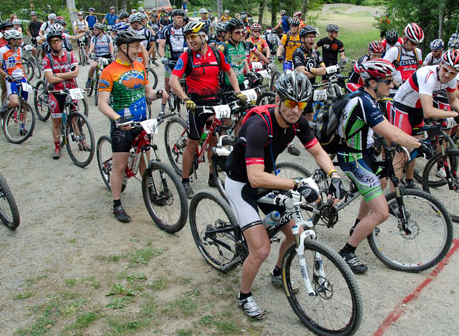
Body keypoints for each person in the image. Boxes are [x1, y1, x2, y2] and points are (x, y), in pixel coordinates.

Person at [224, 69, 346, 319]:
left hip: (266, 180)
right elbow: (254, 177)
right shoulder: (258, 125)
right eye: (290, 102)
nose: (295, 110)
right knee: (260, 249)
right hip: (241, 183)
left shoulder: (298, 121)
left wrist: (334, 175)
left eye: (301, 104)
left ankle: (279, 272)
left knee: (296, 230)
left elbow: (318, 152)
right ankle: (244, 296)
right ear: (277, 99)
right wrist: (296, 183)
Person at [336, 59, 428, 273]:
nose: (392, 85)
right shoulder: (364, 102)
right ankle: (347, 252)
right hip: (353, 158)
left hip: (364, 153)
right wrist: (419, 144)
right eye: (387, 81)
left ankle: (357, 225)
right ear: (371, 82)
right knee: (382, 213)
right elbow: (392, 133)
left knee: (383, 180)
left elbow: (385, 131)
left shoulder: (370, 97)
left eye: (391, 80)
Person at [97, 29, 169, 223]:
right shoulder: (109, 71)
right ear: (123, 47)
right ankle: (117, 204)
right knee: (119, 166)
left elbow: (148, 92)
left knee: (145, 160)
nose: (140, 50)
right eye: (136, 46)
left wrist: (158, 94)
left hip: (142, 122)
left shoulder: (138, 66)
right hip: (122, 126)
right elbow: (102, 103)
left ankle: (150, 191)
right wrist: (116, 118)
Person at [168, 21, 247, 197]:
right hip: (196, 104)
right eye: (187, 38)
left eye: (193, 37)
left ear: (203, 36)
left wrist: (238, 92)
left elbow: (230, 72)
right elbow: (173, 80)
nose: (190, 41)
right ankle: (185, 180)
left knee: (213, 138)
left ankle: (213, 175)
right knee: (192, 143)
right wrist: (185, 98)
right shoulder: (186, 57)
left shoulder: (217, 54)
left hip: (216, 101)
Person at [388, 50, 459, 187]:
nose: (447, 75)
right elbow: (429, 112)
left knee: (416, 144)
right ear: (440, 65)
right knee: (403, 151)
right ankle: (393, 195)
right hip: (403, 106)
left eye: (452, 73)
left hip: (417, 108)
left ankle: (409, 181)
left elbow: (453, 100)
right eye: (445, 70)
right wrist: (455, 115)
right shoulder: (427, 75)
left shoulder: (451, 79)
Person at [42, 28, 80, 159]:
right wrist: (66, 76)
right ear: (50, 44)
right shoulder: (47, 59)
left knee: (76, 116)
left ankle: (81, 139)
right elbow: (50, 79)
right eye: (53, 42)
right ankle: (57, 146)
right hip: (55, 91)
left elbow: (75, 73)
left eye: (58, 41)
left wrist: (58, 74)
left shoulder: (70, 55)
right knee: (57, 121)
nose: (56, 44)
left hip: (72, 89)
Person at [293, 25, 326, 122]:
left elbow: (324, 70)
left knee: (309, 116)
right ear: (302, 39)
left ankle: (308, 135)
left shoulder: (316, 53)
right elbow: (303, 73)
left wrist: (312, 70)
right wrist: (317, 71)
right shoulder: (298, 53)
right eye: (309, 37)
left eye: (313, 36)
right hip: (299, 89)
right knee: (297, 116)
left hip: (311, 87)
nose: (312, 39)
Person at [0, 30, 28, 124]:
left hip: (22, 78)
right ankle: (5, 106)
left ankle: (22, 124)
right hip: (11, 79)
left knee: (24, 103)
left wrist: (26, 78)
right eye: (19, 39)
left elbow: (21, 65)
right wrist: (7, 76)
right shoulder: (1, 51)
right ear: (12, 40)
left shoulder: (19, 50)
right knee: (15, 102)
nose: (21, 41)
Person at [157, 9, 188, 107]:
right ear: (173, 18)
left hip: (181, 58)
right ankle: (164, 105)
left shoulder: (185, 30)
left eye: (182, 18)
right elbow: (161, 46)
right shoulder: (166, 29)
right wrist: (163, 57)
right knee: (167, 84)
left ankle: (182, 97)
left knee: (184, 82)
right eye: (178, 18)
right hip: (169, 59)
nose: (180, 20)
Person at [383, 23, 424, 88]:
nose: (414, 46)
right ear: (405, 39)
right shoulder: (394, 51)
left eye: (416, 44)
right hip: (394, 90)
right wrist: (394, 82)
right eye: (412, 43)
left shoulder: (417, 52)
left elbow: (419, 70)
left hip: (411, 89)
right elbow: (382, 70)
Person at [85, 23, 113, 89]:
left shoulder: (107, 37)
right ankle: (89, 80)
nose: (93, 31)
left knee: (109, 71)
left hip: (106, 56)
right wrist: (89, 52)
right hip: (97, 56)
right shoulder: (94, 38)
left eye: (95, 30)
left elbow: (111, 46)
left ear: (100, 30)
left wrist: (112, 55)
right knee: (93, 66)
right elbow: (92, 45)